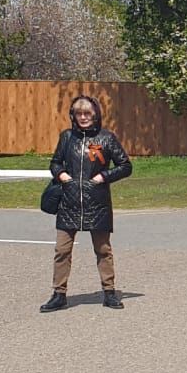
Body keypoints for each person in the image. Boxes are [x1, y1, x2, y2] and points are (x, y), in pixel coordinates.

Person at [41, 95, 134, 313]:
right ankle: (59, 294)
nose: (83, 118)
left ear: (95, 115)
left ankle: (109, 292)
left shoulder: (106, 138)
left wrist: (103, 177)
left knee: (103, 249)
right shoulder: (66, 137)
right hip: (69, 202)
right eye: (78, 113)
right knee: (62, 250)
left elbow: (125, 165)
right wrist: (62, 174)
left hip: (97, 202)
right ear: (73, 115)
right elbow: (55, 163)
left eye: (87, 113)